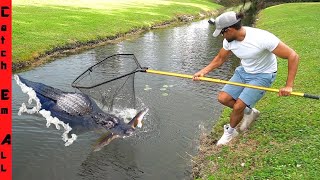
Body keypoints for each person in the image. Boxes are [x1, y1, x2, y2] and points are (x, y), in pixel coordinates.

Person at [193, 11, 299, 145]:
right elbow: (220, 58)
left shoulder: (262, 38)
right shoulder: (229, 41)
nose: (221, 36)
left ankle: (231, 132)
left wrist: (288, 85)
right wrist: (203, 72)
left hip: (263, 75)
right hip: (244, 71)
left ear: (230, 30)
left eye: (222, 33)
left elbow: (293, 56)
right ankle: (250, 111)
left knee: (238, 107)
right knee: (223, 98)